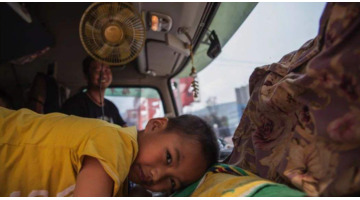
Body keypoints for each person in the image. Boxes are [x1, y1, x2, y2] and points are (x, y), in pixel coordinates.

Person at [0, 107, 219, 197]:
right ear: (155, 125)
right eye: (168, 157)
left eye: (172, 183)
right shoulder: (118, 142)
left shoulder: (119, 180)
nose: (158, 176)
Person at [61, 56, 126, 126]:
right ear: (86, 76)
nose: (103, 75)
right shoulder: (74, 104)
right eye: (97, 71)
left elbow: (124, 131)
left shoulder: (111, 107)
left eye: (107, 70)